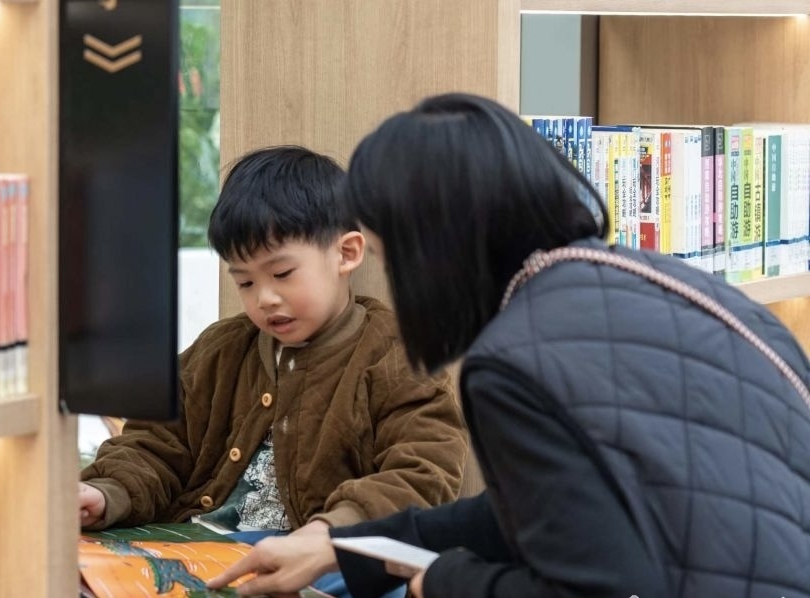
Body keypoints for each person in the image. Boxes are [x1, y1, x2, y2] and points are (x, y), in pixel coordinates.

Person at [207, 94, 810, 597]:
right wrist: (343, 547)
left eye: (393, 257)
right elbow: (550, 509)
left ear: (434, 249)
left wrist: (444, 581)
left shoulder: (514, 360)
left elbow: (593, 584)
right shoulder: (670, 284)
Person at [79, 145, 469, 594]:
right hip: (198, 547)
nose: (264, 298)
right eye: (245, 281)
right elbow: (154, 445)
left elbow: (423, 470)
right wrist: (108, 492)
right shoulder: (223, 349)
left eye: (282, 274)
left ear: (346, 253)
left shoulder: (396, 353)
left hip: (324, 557)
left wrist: (333, 533)